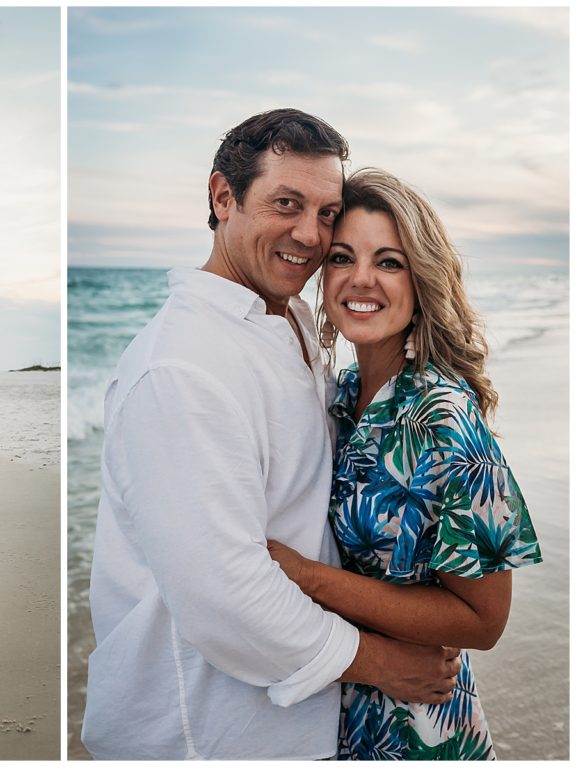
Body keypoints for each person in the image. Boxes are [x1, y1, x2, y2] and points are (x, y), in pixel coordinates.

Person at [82, 109, 461, 761]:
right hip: (202, 732)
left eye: (325, 213)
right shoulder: (181, 367)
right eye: (286, 204)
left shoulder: (287, 321)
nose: (309, 235)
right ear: (222, 196)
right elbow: (227, 598)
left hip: (287, 725)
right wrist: (383, 663)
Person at [267, 168, 542, 759]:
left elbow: (484, 619)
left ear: (421, 280)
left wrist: (306, 577)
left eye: (388, 262)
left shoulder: (443, 418)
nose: (361, 279)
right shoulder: (336, 396)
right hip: (333, 712)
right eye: (343, 257)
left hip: (420, 728)